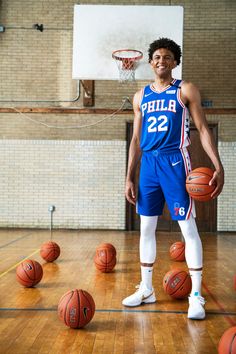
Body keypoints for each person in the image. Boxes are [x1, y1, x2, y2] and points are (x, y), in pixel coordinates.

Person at [122, 37, 224, 320]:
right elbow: (135, 139)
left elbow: (202, 129)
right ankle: (146, 288)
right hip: (149, 165)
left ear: (175, 62)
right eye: (156, 57)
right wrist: (129, 176)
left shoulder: (185, 89)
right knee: (146, 228)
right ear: (150, 62)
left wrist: (218, 164)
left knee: (188, 228)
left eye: (167, 57)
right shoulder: (140, 96)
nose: (161, 61)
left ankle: (196, 296)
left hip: (176, 161)